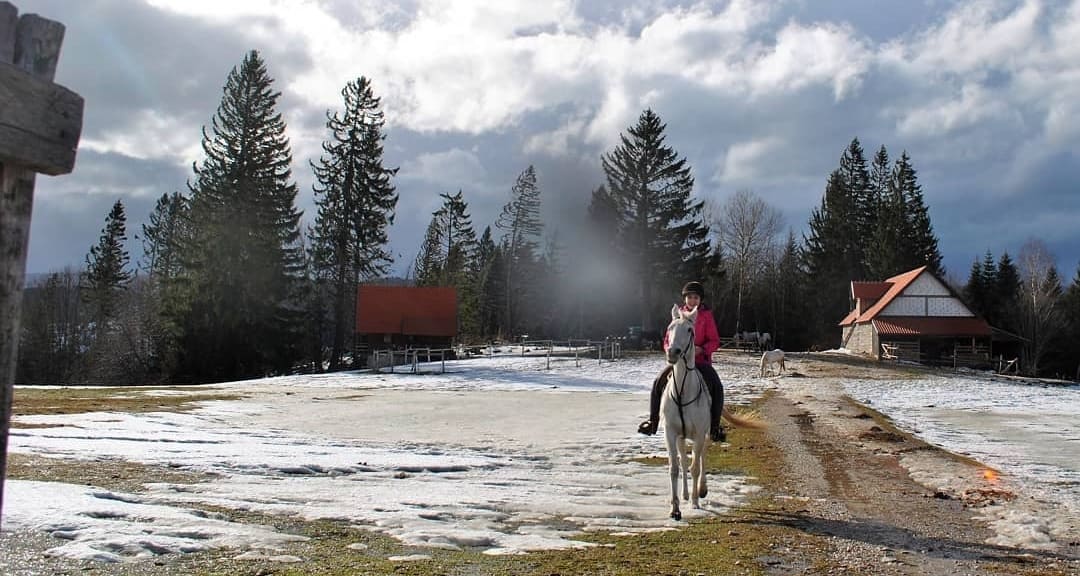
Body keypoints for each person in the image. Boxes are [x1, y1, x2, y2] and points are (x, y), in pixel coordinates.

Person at [637, 281, 725, 442]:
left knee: (717, 386)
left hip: (700, 361)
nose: (693, 300)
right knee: (658, 382)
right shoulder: (677, 315)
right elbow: (667, 339)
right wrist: (669, 350)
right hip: (678, 362)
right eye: (690, 297)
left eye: (696, 297)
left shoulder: (706, 316)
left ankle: (715, 428)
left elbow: (714, 340)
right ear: (685, 299)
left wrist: (703, 349)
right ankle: (653, 422)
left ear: (700, 300)